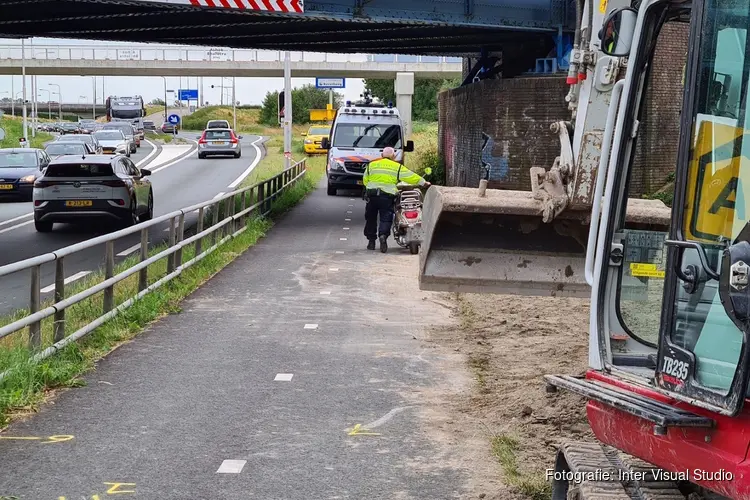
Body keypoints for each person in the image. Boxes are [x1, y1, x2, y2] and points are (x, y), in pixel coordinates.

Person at [362, 146, 430, 253]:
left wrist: (371, 188)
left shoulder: (372, 165)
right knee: (386, 217)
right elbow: (410, 176)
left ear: (382, 155)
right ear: (393, 156)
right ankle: (383, 235)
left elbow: (365, 180)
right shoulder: (396, 167)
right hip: (387, 196)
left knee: (371, 218)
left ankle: (371, 241)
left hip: (372, 195)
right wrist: (424, 182)